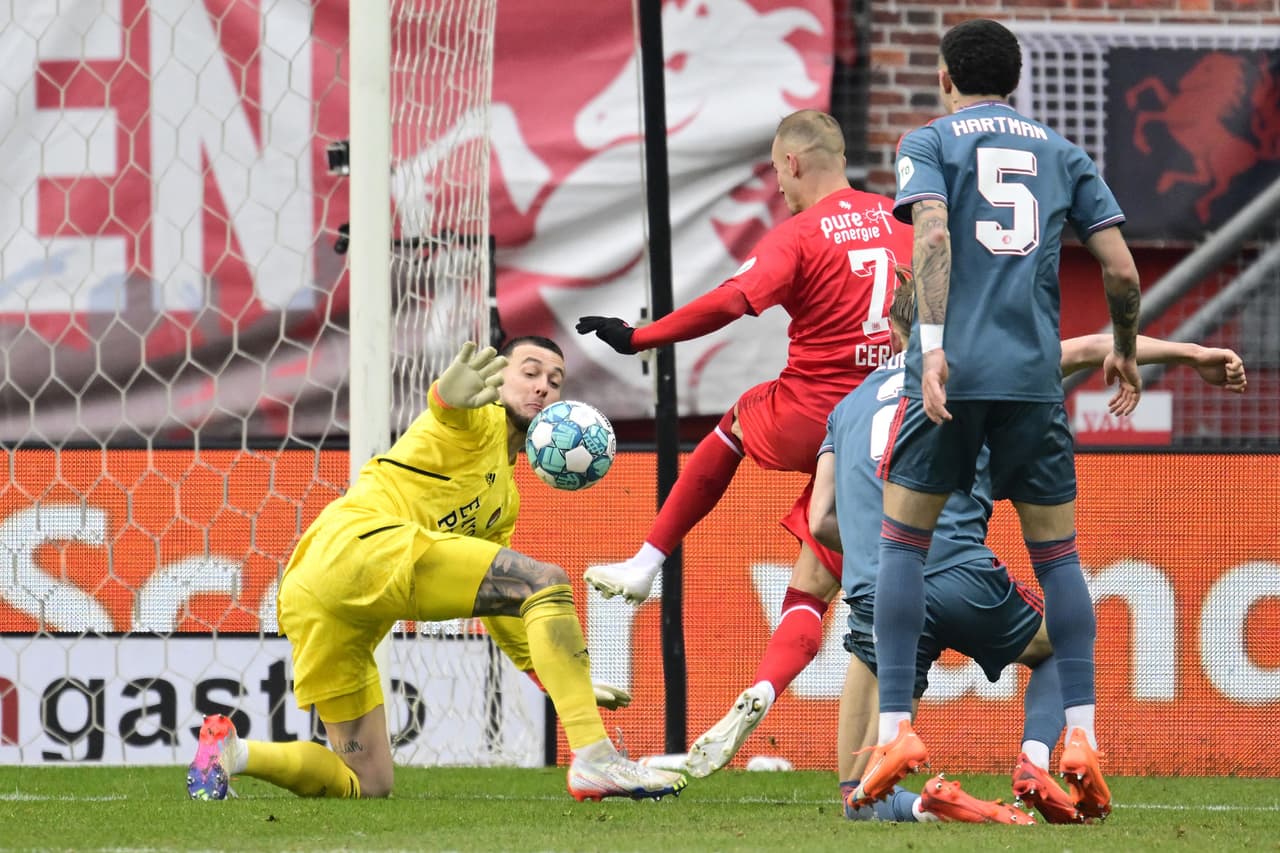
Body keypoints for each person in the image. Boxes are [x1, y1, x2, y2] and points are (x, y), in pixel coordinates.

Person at [185, 337, 687, 803]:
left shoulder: (504, 501)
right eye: (530, 372)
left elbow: (502, 601)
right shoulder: (478, 420)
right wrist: (447, 393)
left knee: (367, 781)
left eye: (555, 382)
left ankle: (232, 753)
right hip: (356, 547)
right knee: (546, 580)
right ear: (495, 380)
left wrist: (556, 678)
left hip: (319, 596)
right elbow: (447, 406)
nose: (542, 387)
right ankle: (595, 757)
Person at [813, 285, 1246, 823]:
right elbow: (1090, 348)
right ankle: (1035, 760)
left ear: (894, 331)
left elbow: (821, 519)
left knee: (858, 796)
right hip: (959, 575)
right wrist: (1194, 354)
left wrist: (872, 551)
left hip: (878, 596)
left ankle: (929, 806)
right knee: (1061, 645)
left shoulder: (846, 408)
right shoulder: (977, 372)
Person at [862, 18, 1145, 820]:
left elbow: (932, 235)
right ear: (1014, 80)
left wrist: (931, 348)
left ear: (945, 77)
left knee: (902, 544)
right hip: (1031, 380)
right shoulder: (1064, 152)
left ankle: (895, 730)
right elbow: (1122, 271)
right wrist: (1124, 349)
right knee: (1059, 557)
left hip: (954, 376)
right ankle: (1080, 734)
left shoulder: (928, 140)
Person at [577, 110, 914, 769]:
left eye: (777, 172)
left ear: (792, 163)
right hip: (890, 425)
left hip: (812, 414)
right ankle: (765, 688)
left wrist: (641, 336)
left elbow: (732, 301)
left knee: (734, 422)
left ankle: (646, 561)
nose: (780, 187)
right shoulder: (903, 221)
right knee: (816, 585)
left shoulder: (800, 234)